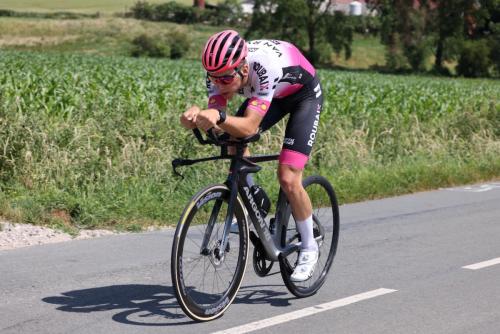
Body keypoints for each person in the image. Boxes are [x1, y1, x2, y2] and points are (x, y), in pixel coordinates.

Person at [180, 30, 323, 282]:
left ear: (243, 70)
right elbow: (219, 123)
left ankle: (309, 247)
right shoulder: (218, 74)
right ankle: (255, 198)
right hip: (272, 96)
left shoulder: (263, 67)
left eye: (225, 78)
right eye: (213, 78)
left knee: (288, 176)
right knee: (231, 139)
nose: (218, 84)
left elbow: (249, 127)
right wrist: (196, 119)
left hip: (303, 96)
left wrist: (220, 118)